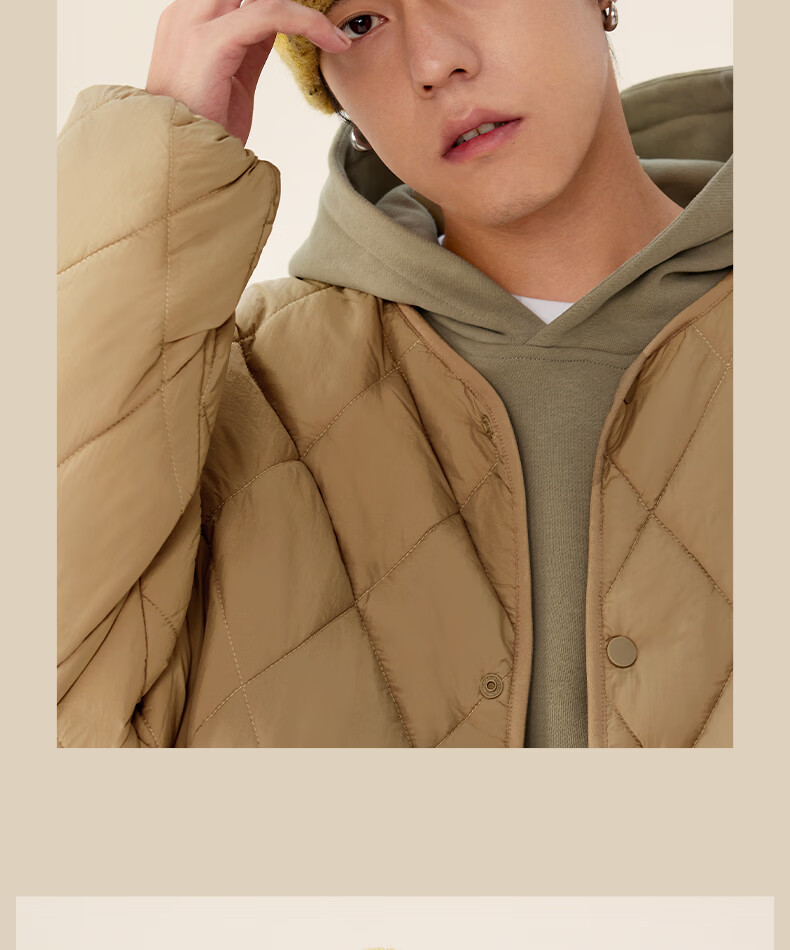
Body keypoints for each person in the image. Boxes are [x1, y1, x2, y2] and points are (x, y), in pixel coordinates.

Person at [57, 0, 732, 748]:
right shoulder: (221, 391)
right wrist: (158, 176)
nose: (435, 62)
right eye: (359, 21)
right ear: (332, 89)